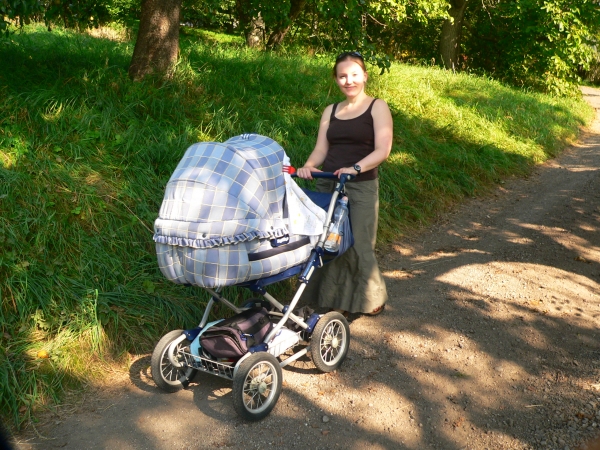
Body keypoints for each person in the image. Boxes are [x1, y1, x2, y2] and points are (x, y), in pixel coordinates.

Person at [297, 51, 393, 316]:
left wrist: (355, 168)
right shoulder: (331, 111)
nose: (348, 81)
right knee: (328, 242)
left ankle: (369, 299)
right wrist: (309, 166)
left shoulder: (377, 107)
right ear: (336, 79)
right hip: (328, 184)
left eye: (354, 75)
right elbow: (321, 149)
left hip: (360, 185)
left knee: (359, 243)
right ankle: (330, 300)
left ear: (365, 76)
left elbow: (383, 149)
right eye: (342, 76)